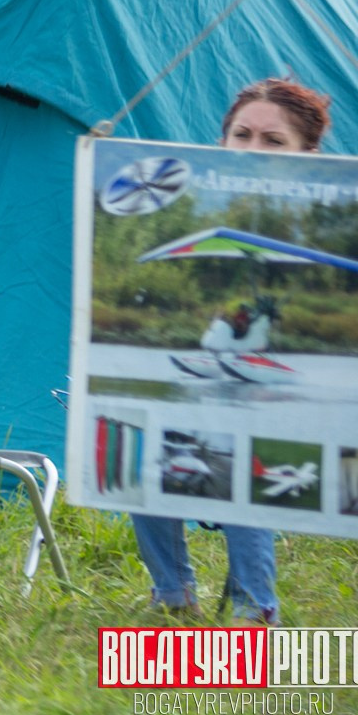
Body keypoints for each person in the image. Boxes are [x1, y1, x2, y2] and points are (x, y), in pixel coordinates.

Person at [129, 77, 333, 624]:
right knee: (143, 446)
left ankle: (253, 607)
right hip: (199, 363)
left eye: (273, 141)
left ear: (306, 155)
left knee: (245, 452)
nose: (252, 149)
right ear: (221, 142)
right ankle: (171, 592)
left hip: (283, 385)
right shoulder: (188, 212)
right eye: (242, 135)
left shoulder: (326, 221)